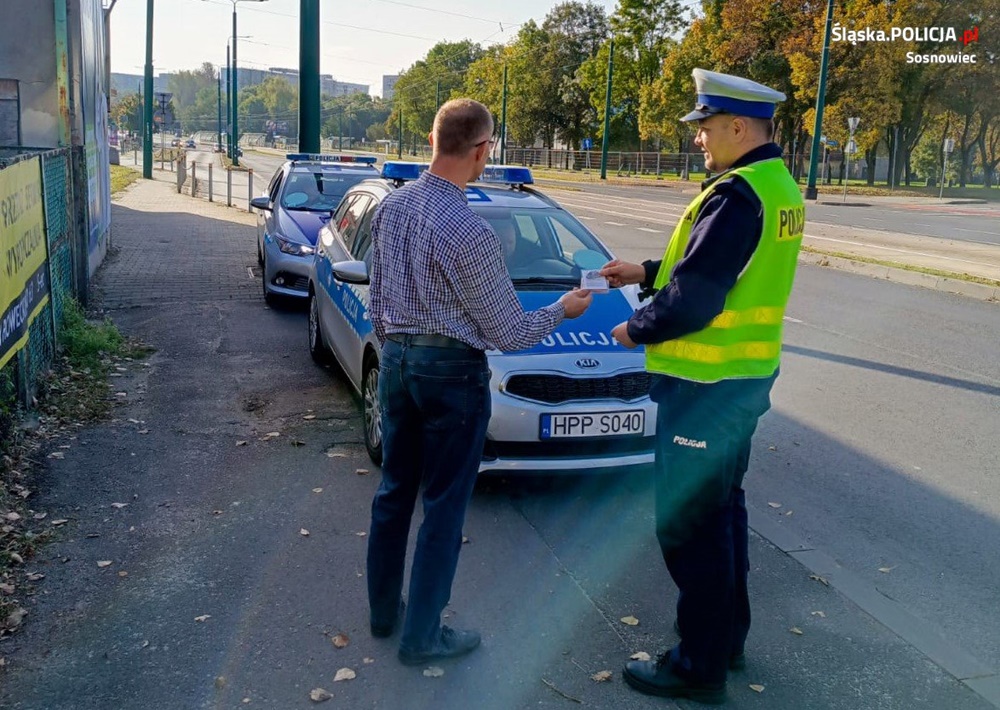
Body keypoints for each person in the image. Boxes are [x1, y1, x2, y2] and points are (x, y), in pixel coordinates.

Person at [600, 68, 804, 704]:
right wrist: (647, 269)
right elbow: (716, 268)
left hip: (705, 386)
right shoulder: (775, 186)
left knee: (689, 526)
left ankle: (698, 666)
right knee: (723, 515)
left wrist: (635, 329)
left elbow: (696, 297)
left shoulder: (736, 193)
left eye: (706, 128)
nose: (699, 141)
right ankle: (725, 642)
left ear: (738, 127)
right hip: (740, 382)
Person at [366, 98, 593, 667]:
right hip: (450, 374)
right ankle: (422, 636)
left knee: (395, 490)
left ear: (432, 137)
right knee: (443, 504)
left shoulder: (392, 209)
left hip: (396, 360)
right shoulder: (468, 229)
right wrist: (562, 310)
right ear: (482, 149)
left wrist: (396, 343)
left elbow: (378, 295)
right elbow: (507, 331)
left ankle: (382, 613)